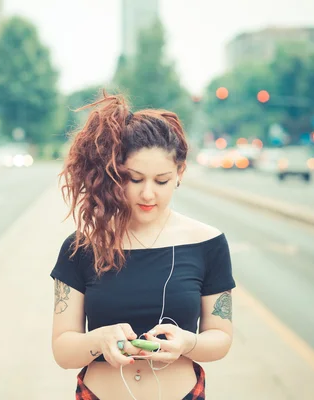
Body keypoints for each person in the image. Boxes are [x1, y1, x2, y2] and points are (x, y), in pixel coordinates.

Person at [50, 90, 235, 400]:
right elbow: (63, 350)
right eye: (134, 179)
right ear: (114, 175)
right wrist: (99, 340)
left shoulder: (208, 243)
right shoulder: (80, 247)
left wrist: (187, 343)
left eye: (161, 181)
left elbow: (221, 338)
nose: (148, 194)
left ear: (180, 174)